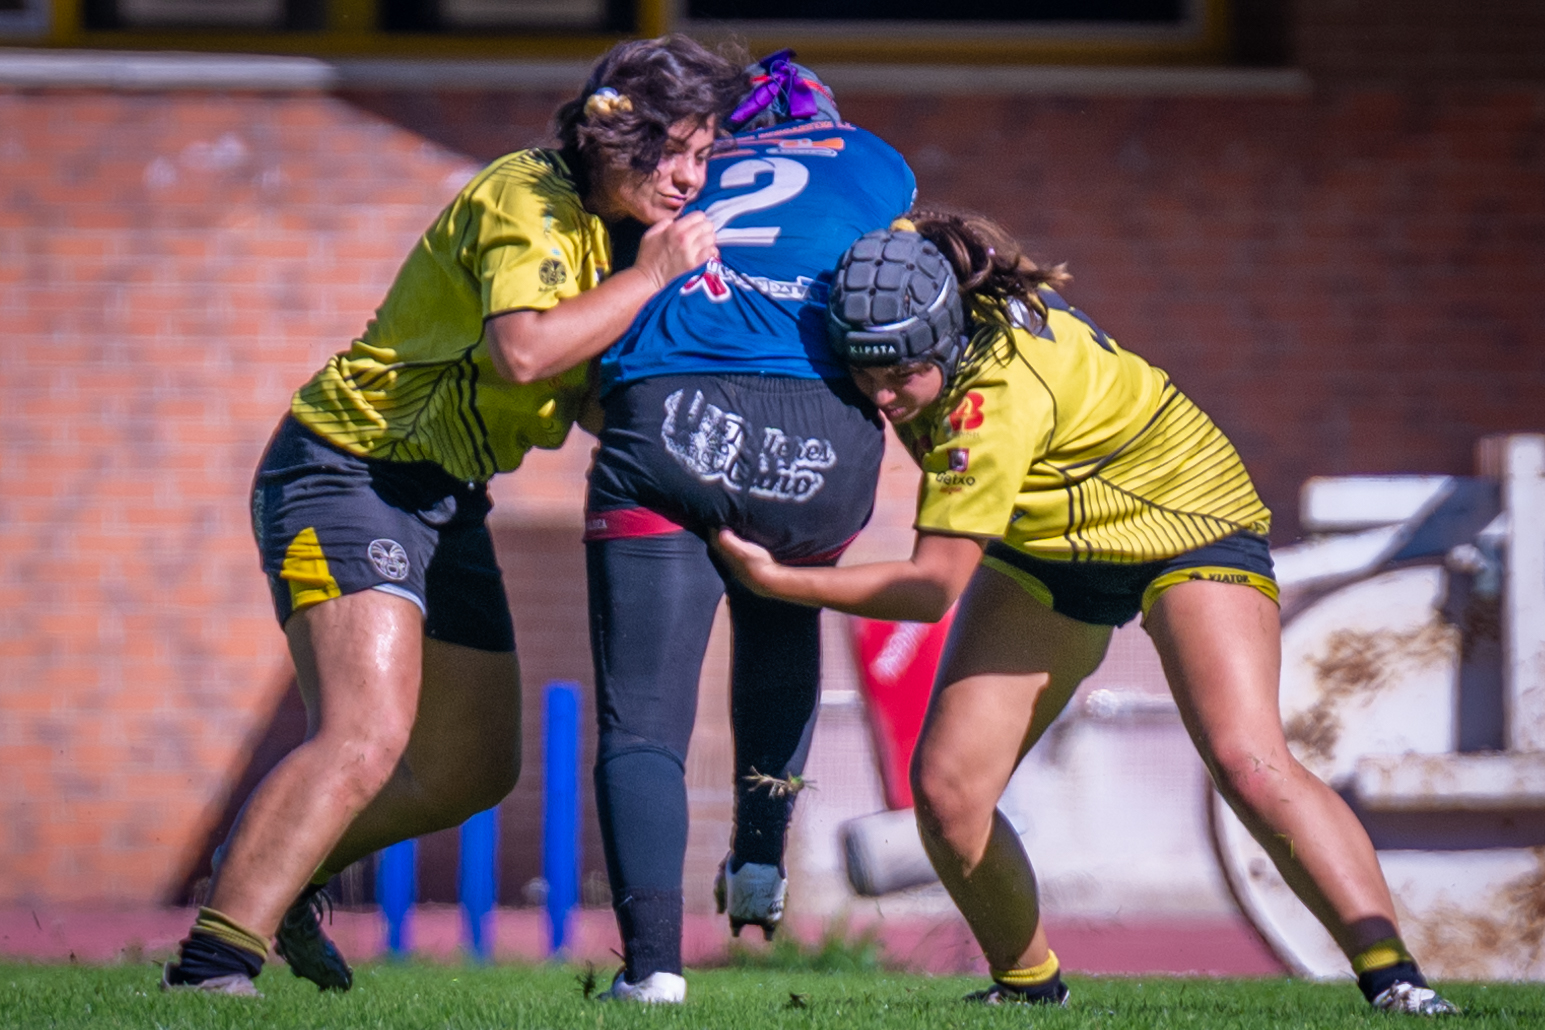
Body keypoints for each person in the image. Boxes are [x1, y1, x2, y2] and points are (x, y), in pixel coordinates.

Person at [715, 213, 1459, 1016]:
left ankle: (1395, 980)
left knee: (1249, 763)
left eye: (901, 376)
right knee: (946, 789)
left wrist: (781, 582)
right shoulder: (910, 286)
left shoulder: (991, 402)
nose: (883, 398)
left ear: (944, 339)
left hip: (1183, 520)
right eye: (865, 376)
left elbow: (931, 587)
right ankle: (1030, 988)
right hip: (1050, 542)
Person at [159, 35, 744, 996]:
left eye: (702, 152)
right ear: (607, 134)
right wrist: (652, 279)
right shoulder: (529, 197)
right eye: (668, 151)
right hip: (347, 471)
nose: (688, 176)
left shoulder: (620, 235)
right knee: (366, 734)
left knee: (472, 766)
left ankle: (275, 860)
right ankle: (213, 969)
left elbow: (587, 392)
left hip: (443, 497)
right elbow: (524, 353)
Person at [582, 53, 916, 1003]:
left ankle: (652, 973)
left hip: (670, 414)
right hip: (823, 437)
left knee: (643, 712)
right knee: (783, 611)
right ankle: (760, 864)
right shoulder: (871, 158)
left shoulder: (665, 167)